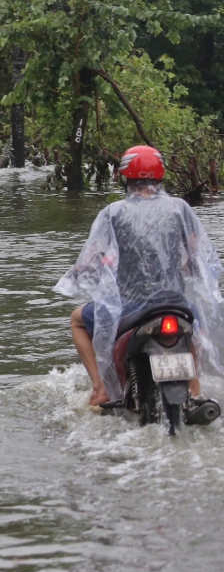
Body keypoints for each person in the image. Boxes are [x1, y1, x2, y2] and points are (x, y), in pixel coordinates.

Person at [56, 146, 224, 406]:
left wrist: (79, 272)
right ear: (160, 175)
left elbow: (94, 256)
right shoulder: (180, 208)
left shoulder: (113, 213)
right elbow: (198, 255)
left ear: (126, 176)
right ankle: (195, 388)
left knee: (77, 320)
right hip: (175, 305)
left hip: (130, 309)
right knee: (194, 325)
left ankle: (100, 389)